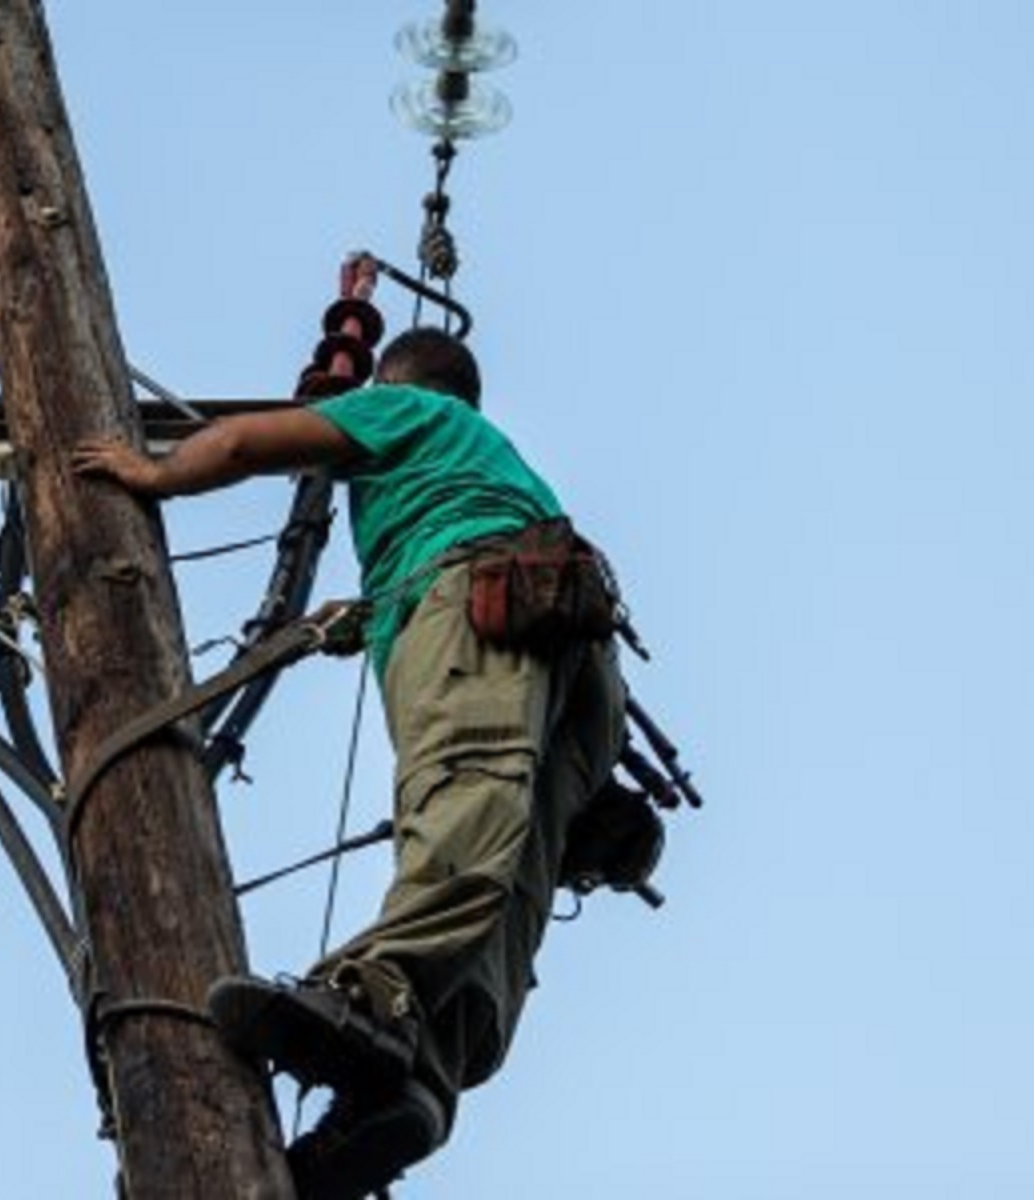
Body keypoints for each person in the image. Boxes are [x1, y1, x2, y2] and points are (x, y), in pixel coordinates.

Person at [72, 325, 627, 1199]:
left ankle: (374, 995)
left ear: (401, 383)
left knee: (463, 787)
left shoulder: (404, 411)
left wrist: (152, 473)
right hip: (581, 657)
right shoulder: (492, 461)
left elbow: (247, 441)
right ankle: (413, 1085)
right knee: (518, 865)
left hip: (481, 604)